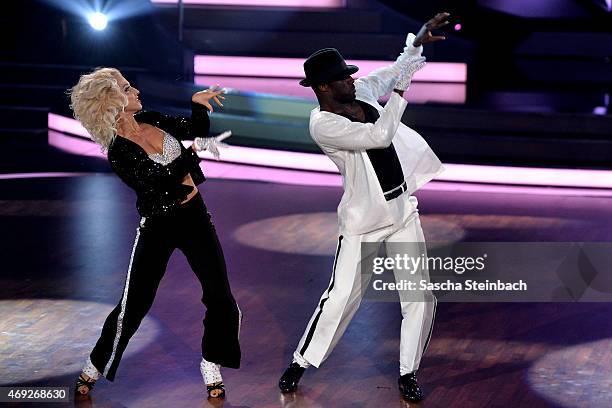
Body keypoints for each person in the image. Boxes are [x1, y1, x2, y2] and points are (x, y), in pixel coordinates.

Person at [278, 13, 449, 402]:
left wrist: (417, 43)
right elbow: (378, 135)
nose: (351, 79)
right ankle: (302, 361)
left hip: (402, 210)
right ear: (323, 86)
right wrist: (402, 93)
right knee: (341, 298)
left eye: (350, 74)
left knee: (419, 296)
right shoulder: (322, 124)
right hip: (363, 223)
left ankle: (408, 372)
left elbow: (393, 70)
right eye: (343, 77)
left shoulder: (363, 93)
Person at [68, 68, 240, 399]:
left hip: (195, 217)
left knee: (219, 294)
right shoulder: (119, 151)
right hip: (158, 225)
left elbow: (194, 129)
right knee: (134, 304)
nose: (135, 90)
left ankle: (211, 360)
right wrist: (193, 152)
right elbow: (160, 182)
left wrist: (198, 105)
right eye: (126, 88)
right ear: (111, 100)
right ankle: (94, 366)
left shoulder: (152, 118)